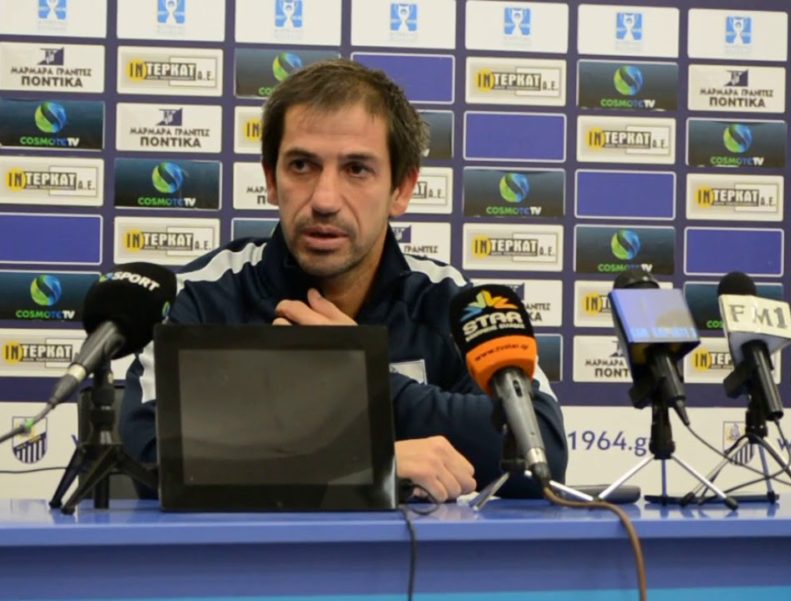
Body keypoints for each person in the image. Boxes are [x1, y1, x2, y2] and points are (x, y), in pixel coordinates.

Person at [120, 59, 567, 502]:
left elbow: (539, 453)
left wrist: (361, 382)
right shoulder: (202, 295)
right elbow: (151, 462)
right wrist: (370, 464)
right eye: (301, 165)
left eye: (356, 169)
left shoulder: (445, 298)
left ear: (402, 189)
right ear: (271, 180)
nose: (325, 199)